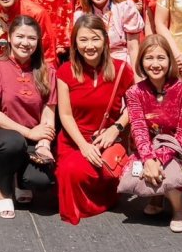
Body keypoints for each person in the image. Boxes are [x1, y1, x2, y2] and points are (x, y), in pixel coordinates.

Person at [55, 14, 135, 225]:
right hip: (74, 140)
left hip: (106, 141)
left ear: (105, 41)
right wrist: (83, 146)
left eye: (95, 39)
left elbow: (135, 106)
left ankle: (107, 195)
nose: (89, 46)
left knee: (97, 171)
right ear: (75, 43)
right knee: (69, 171)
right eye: (83, 40)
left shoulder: (121, 70)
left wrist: (116, 128)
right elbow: (65, 115)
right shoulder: (65, 71)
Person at [0, 16, 57, 219]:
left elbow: (48, 115)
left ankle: (21, 177)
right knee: (13, 142)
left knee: (41, 181)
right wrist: (29, 132)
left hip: (32, 139)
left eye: (31, 38)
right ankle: (4, 190)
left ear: (38, 41)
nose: (25, 43)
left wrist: (44, 144)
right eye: (20, 36)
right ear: (9, 38)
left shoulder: (47, 72)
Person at [125, 35, 182, 233]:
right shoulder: (135, 92)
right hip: (150, 150)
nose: (155, 64)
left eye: (161, 58)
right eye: (149, 58)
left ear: (170, 60)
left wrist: (158, 161)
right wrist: (149, 159)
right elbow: (139, 128)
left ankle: (179, 209)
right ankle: (158, 197)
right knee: (131, 172)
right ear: (141, 62)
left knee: (169, 171)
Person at [75, 0, 143, 67]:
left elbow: (133, 48)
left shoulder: (126, 7)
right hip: (92, 65)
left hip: (123, 65)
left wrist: (137, 79)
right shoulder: (80, 14)